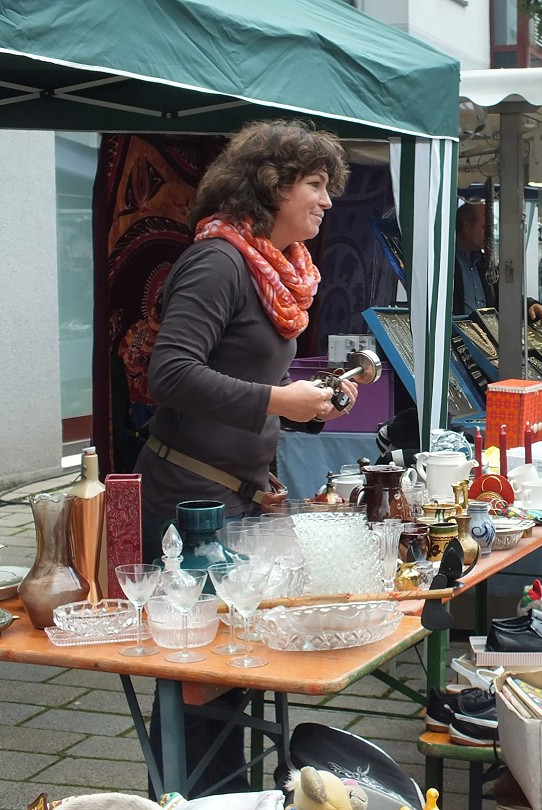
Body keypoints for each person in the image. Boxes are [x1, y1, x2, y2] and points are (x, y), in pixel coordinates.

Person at [133, 119, 357, 795]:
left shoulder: (278, 271)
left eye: (327, 186)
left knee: (236, 677)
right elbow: (167, 375)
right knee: (205, 689)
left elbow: (250, 385)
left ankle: (235, 798)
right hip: (187, 503)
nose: (326, 200)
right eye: (314, 184)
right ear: (271, 184)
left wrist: (310, 399)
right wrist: (275, 401)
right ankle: (192, 801)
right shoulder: (220, 261)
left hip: (234, 496)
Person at [453, 200, 542, 321]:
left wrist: (530, 305)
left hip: (485, 335)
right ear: (466, 227)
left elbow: (505, 296)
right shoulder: (448, 264)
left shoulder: (484, 262)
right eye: (484, 227)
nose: (489, 233)